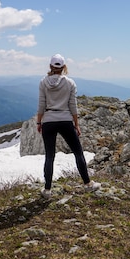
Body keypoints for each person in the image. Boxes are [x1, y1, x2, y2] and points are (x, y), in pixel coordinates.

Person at [36, 54, 100, 199]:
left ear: (50, 66)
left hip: (49, 120)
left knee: (49, 156)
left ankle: (47, 190)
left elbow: (41, 104)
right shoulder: (70, 83)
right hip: (65, 120)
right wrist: (76, 124)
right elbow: (73, 106)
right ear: (64, 67)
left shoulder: (43, 83)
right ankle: (88, 184)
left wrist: (39, 122)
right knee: (78, 152)